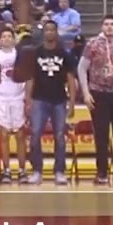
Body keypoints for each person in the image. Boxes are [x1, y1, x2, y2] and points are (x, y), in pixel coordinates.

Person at [78, 16, 113, 184]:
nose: (109, 27)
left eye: (112, 24)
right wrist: (86, 93)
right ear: (102, 26)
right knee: (101, 135)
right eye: (106, 24)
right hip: (99, 94)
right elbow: (81, 68)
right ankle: (101, 172)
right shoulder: (93, 44)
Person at [27, 21, 76, 185]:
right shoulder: (36, 53)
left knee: (60, 137)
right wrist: (28, 101)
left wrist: (72, 102)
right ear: (44, 33)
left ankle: (59, 171)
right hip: (39, 99)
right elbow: (30, 78)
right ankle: (37, 171)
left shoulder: (64, 53)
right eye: (46, 30)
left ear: (56, 32)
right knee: (35, 136)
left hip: (59, 100)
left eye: (52, 30)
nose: (49, 32)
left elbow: (70, 79)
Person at [0, 29, 30, 183]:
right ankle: (6, 170)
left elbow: (27, 76)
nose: (6, 39)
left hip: (18, 97)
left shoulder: (20, 56)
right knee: (4, 136)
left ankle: (22, 170)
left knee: (20, 136)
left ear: (14, 40)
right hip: (1, 98)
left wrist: (28, 98)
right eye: (3, 36)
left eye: (9, 36)